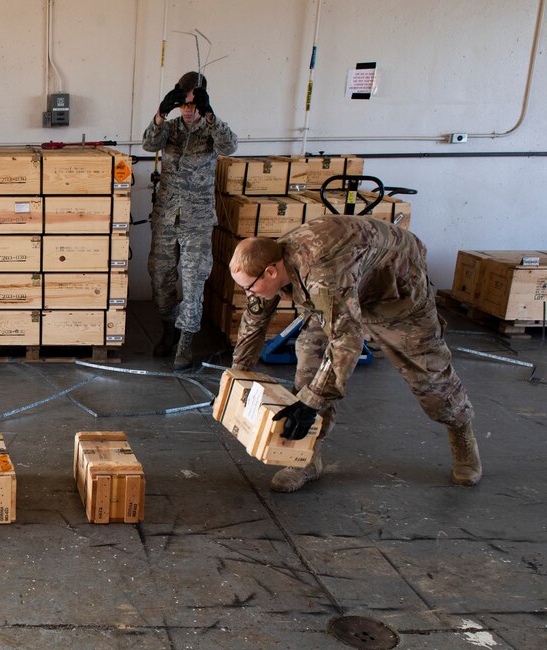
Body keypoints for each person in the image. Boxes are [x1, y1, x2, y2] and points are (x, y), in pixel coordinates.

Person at [228, 215, 482, 493]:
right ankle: (306, 458)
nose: (247, 293)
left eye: (248, 287)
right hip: (348, 281)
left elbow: (345, 342)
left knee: (428, 375)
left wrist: (310, 404)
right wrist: (236, 378)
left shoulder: (324, 275)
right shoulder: (264, 263)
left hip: (395, 289)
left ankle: (463, 439)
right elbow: (253, 322)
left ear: (271, 272)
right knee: (310, 362)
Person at [142, 71, 239, 370]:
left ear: (202, 102)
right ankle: (168, 329)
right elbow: (149, 144)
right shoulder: (170, 129)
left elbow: (230, 146)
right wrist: (159, 113)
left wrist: (211, 115)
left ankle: (186, 340)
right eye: (183, 104)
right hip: (167, 217)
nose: (187, 110)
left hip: (196, 219)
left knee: (194, 281)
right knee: (160, 276)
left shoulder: (212, 129)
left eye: (193, 105)